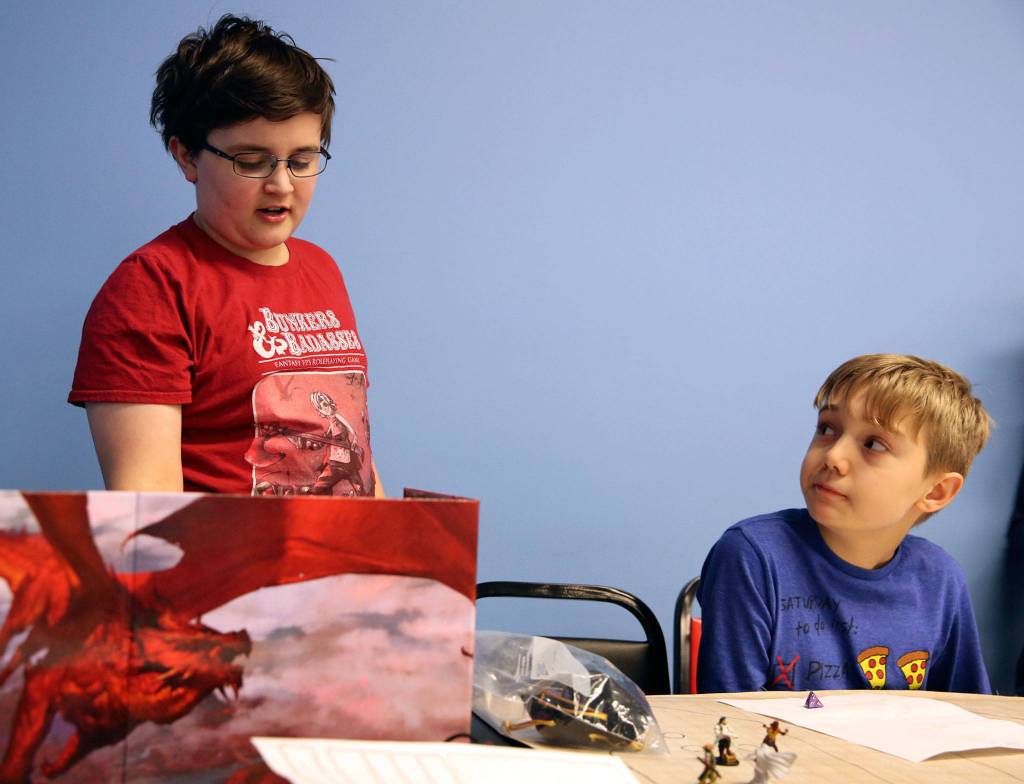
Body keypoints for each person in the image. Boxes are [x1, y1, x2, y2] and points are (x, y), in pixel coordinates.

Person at [69, 15, 381, 496]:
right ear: (186, 156)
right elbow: (148, 500)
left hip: (351, 545)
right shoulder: (151, 288)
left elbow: (360, 460)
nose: (281, 184)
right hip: (236, 549)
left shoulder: (323, 268)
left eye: (301, 160)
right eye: (251, 161)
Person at [696, 354, 991, 693]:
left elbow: (968, 710)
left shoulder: (940, 579)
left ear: (936, 492)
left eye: (874, 444)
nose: (833, 456)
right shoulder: (752, 555)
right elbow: (731, 712)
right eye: (827, 429)